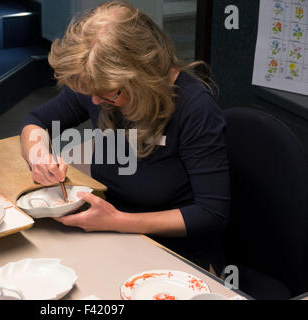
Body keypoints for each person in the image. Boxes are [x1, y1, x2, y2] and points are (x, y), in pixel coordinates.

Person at [20, 1, 230, 274]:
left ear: (143, 77)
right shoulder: (100, 86)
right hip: (108, 233)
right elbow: (36, 121)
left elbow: (211, 214)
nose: (95, 100)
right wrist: (40, 156)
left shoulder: (195, 109)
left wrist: (119, 221)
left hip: (173, 254)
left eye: (109, 93)